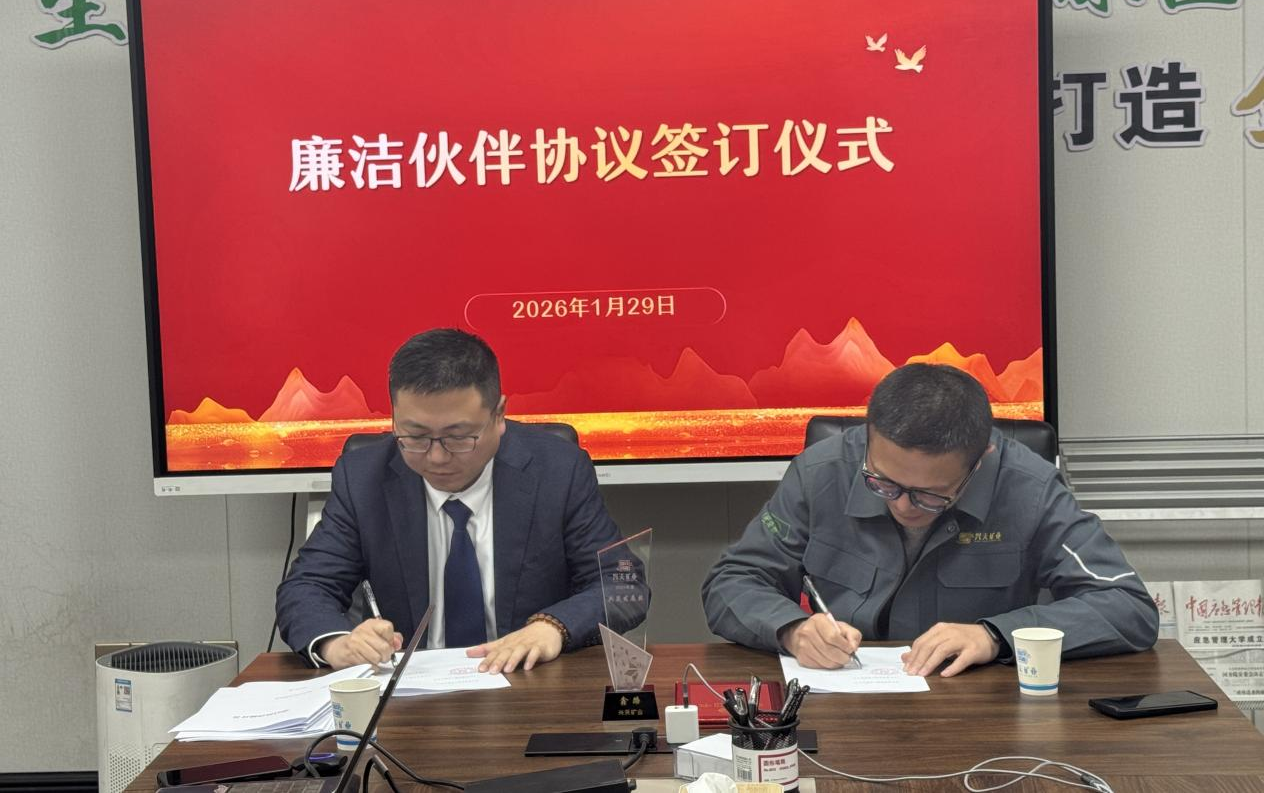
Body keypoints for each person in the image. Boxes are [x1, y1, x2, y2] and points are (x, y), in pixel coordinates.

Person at [702, 363, 1159, 677]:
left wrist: (995, 636)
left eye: (931, 494)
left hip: (981, 715)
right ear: (868, 437)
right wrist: (792, 629)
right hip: (845, 704)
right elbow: (733, 581)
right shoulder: (821, 473)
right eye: (883, 483)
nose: (903, 506)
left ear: (981, 458)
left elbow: (1127, 606)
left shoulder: (1030, 489)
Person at [277, 328, 633, 674]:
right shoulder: (363, 478)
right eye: (415, 436)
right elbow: (308, 586)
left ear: (499, 416)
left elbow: (621, 582)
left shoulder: (558, 470)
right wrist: (337, 644)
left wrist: (552, 627)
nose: (436, 457)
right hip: (408, 692)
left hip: (527, 683)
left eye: (459, 437)